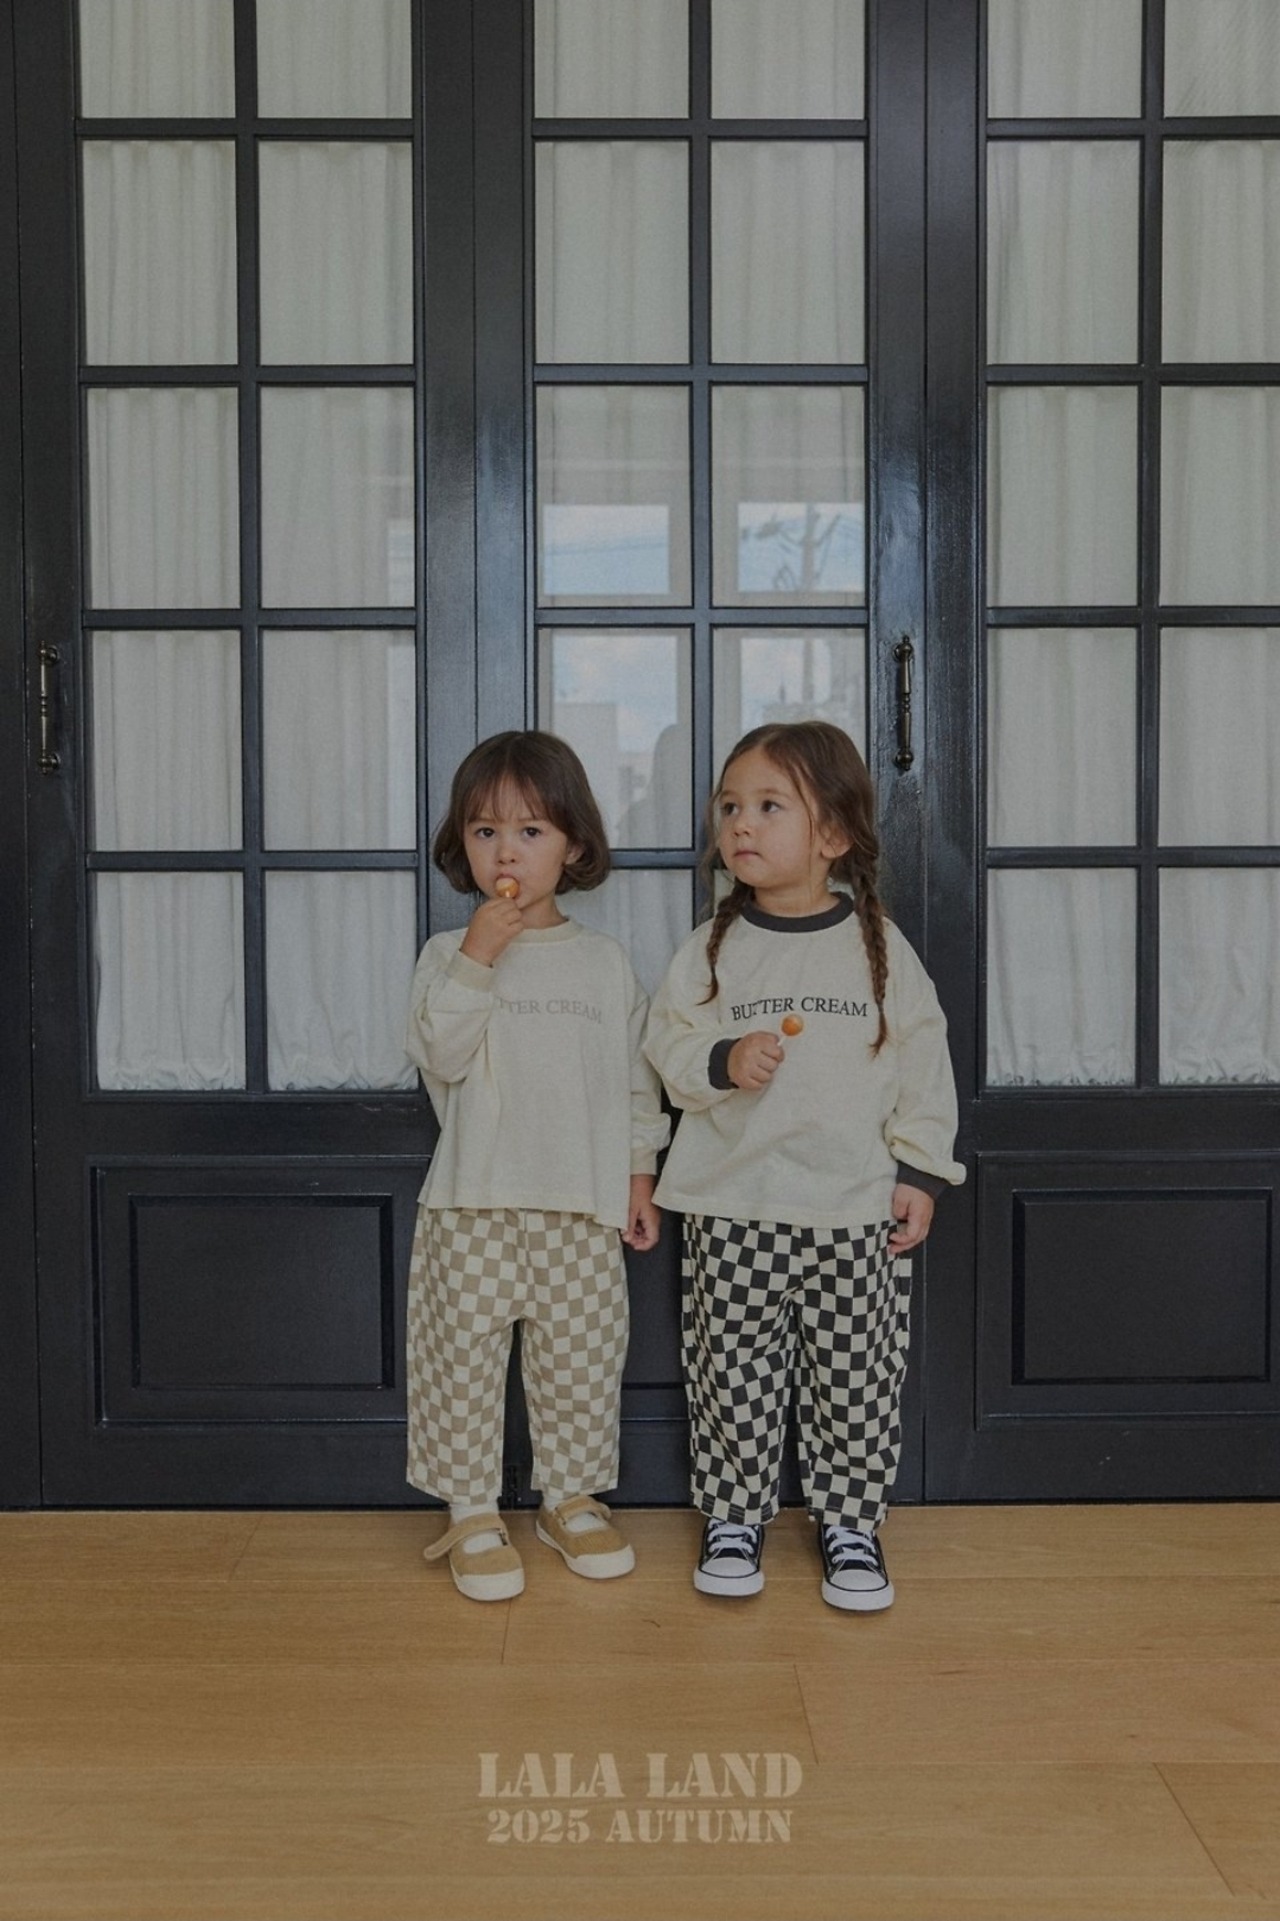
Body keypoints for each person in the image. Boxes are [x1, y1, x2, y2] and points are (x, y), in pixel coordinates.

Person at [644, 720, 963, 1612]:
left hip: (853, 1209)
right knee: (730, 1370)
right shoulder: (712, 947)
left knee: (857, 1376)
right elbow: (667, 1043)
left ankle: (850, 1523)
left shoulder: (879, 946)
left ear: (834, 834)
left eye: (768, 807)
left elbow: (923, 1061)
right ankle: (733, 1515)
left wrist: (920, 1170)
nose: (741, 824)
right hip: (733, 1203)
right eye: (730, 807)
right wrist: (722, 1059)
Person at [404, 731, 668, 1602]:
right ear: (462, 845)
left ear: (574, 846)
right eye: (485, 832)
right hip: (473, 1202)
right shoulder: (447, 956)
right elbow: (440, 1054)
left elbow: (634, 1081)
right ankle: (472, 1509)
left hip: (580, 1205)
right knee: (462, 1362)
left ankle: (571, 1498)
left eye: (529, 831)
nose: (505, 852)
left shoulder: (603, 963)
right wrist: (479, 955)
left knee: (581, 1361)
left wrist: (638, 1175)